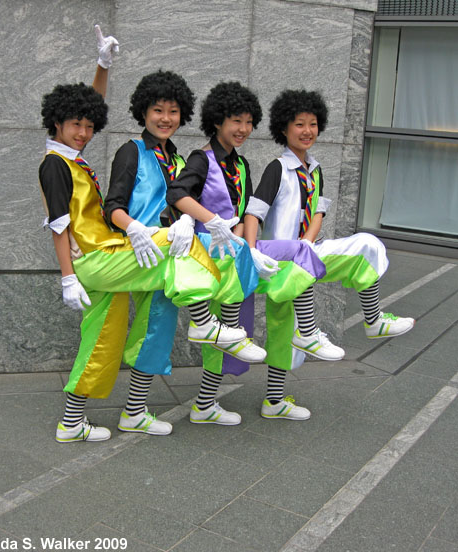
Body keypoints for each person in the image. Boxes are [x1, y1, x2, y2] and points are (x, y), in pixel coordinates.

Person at [39, 30, 243, 443]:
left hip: (112, 255)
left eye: (88, 126)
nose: (83, 132)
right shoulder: (54, 165)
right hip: (102, 258)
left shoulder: (71, 156)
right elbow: (60, 224)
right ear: (55, 124)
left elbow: (89, 110)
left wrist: (103, 67)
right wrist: (67, 277)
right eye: (74, 125)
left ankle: (72, 422)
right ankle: (206, 322)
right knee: (178, 243)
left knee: (104, 341)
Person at [103, 70, 265, 436]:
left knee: (156, 330)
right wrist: (135, 229)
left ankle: (136, 411)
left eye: (173, 112)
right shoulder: (132, 151)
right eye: (158, 110)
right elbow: (111, 205)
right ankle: (212, 326)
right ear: (143, 112)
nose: (165, 119)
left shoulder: (175, 157)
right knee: (148, 329)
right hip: (141, 251)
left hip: (169, 257)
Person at [244, 88, 415, 419]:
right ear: (284, 128)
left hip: (305, 253)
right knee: (283, 329)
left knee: (365, 244)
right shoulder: (277, 169)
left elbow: (317, 213)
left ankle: (373, 319)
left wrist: (307, 243)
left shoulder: (316, 170)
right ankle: (277, 395)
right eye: (299, 124)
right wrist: (251, 252)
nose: (307, 131)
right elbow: (254, 213)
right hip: (276, 260)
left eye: (312, 124)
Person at [166, 82, 326, 425]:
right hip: (206, 261)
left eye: (249, 121)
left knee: (232, 335)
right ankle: (203, 405)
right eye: (236, 121)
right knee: (218, 337)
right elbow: (177, 193)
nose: (243, 129)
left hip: (236, 260)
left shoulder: (241, 165)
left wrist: (242, 245)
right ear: (218, 121)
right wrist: (209, 222)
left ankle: (210, 405)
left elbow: (243, 213)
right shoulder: (200, 158)